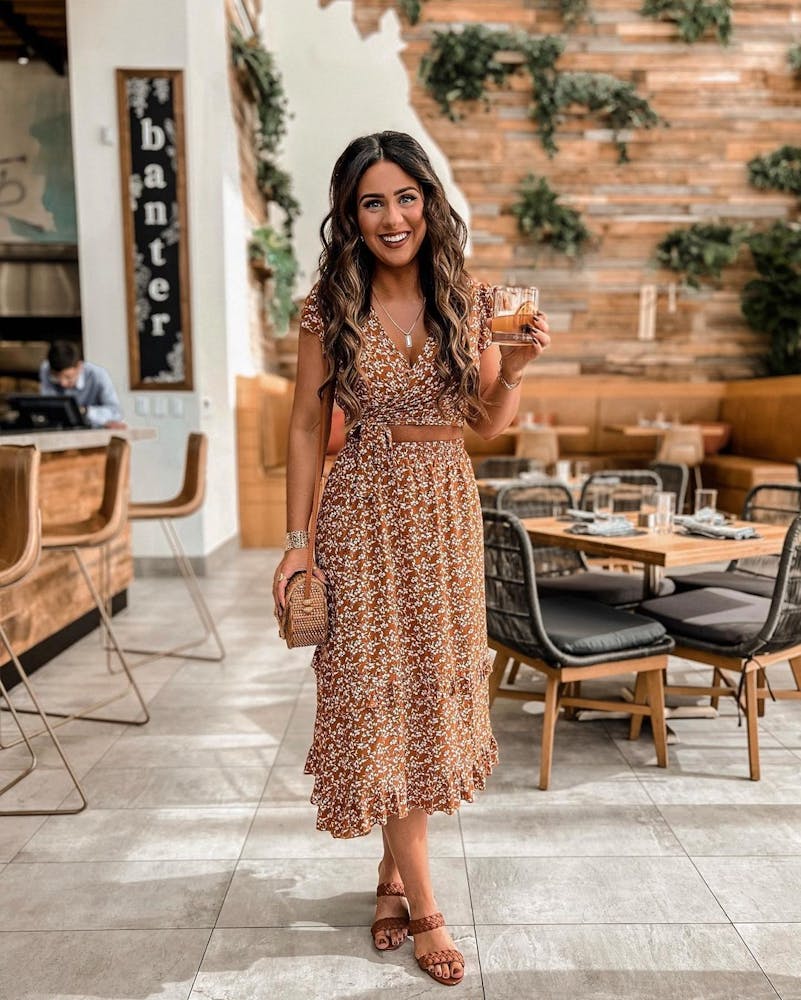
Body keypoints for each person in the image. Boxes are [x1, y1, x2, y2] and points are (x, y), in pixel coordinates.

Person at [272, 131, 550, 988]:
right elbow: (303, 426)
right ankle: (428, 905)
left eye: (404, 197)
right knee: (372, 695)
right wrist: (296, 544)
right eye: (371, 202)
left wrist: (520, 369)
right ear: (350, 217)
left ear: (427, 202)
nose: (391, 217)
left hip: (441, 516)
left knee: (428, 695)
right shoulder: (329, 304)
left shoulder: (470, 300)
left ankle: (394, 878)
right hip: (359, 520)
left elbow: (487, 424)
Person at [39, 340, 125, 428]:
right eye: (56, 377)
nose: (63, 383)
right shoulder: (46, 369)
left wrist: (84, 411)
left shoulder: (98, 375)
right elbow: (48, 407)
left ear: (79, 366)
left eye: (68, 377)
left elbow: (116, 413)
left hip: (94, 432)